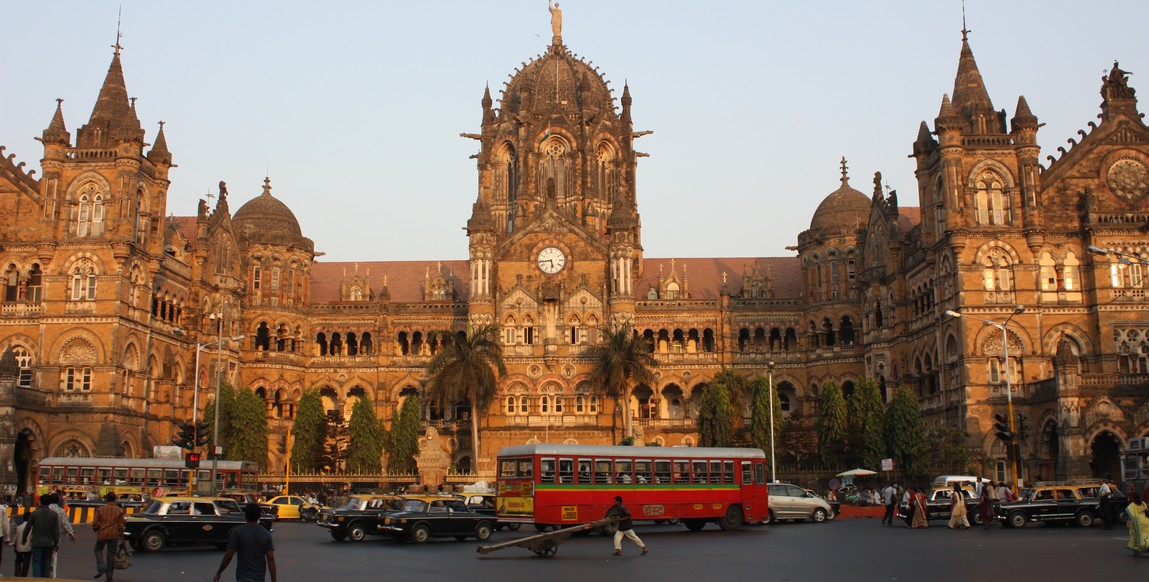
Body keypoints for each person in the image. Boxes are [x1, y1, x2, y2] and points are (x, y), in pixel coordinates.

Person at [214, 503, 276, 582]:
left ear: (245, 515)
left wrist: (219, 572)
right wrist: (274, 580)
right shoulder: (266, 534)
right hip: (259, 576)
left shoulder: (238, 532)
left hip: (243, 576)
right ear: (259, 516)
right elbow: (271, 558)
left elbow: (228, 556)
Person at [21, 495, 59, 578]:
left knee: (36, 562)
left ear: (40, 502)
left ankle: (37, 579)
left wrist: (24, 538)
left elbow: (28, 527)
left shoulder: (35, 513)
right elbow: (56, 532)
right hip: (48, 543)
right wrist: (55, 544)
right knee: (46, 563)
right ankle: (45, 579)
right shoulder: (54, 515)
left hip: (36, 542)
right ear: (49, 502)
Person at [92, 491, 125, 581]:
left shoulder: (100, 510)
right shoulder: (120, 510)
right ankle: (109, 576)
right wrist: (122, 539)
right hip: (114, 534)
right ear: (115, 499)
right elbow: (121, 526)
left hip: (102, 533)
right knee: (111, 555)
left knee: (98, 550)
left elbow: (94, 523)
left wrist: (96, 528)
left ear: (106, 499)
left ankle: (101, 566)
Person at [48, 492, 75, 577]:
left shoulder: (44, 509)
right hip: (55, 539)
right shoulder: (61, 511)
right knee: (53, 560)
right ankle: (52, 577)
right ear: (57, 501)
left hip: (43, 538)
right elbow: (65, 524)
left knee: (43, 559)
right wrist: (71, 534)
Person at [13, 509, 32, 577]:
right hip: (28, 548)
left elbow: (16, 538)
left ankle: (17, 572)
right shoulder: (32, 527)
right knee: (26, 562)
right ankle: (24, 575)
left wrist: (14, 545)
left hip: (19, 547)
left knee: (18, 560)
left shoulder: (19, 527)